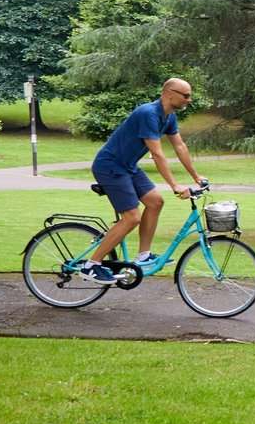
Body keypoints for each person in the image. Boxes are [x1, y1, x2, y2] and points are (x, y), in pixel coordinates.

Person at [80, 79, 206, 283]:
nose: (189, 99)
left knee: (155, 202)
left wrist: (196, 176)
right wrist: (174, 185)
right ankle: (91, 265)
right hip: (110, 166)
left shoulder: (169, 116)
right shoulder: (149, 113)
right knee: (131, 217)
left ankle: (143, 255)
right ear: (169, 94)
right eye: (185, 95)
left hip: (128, 166)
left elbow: (180, 147)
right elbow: (157, 153)